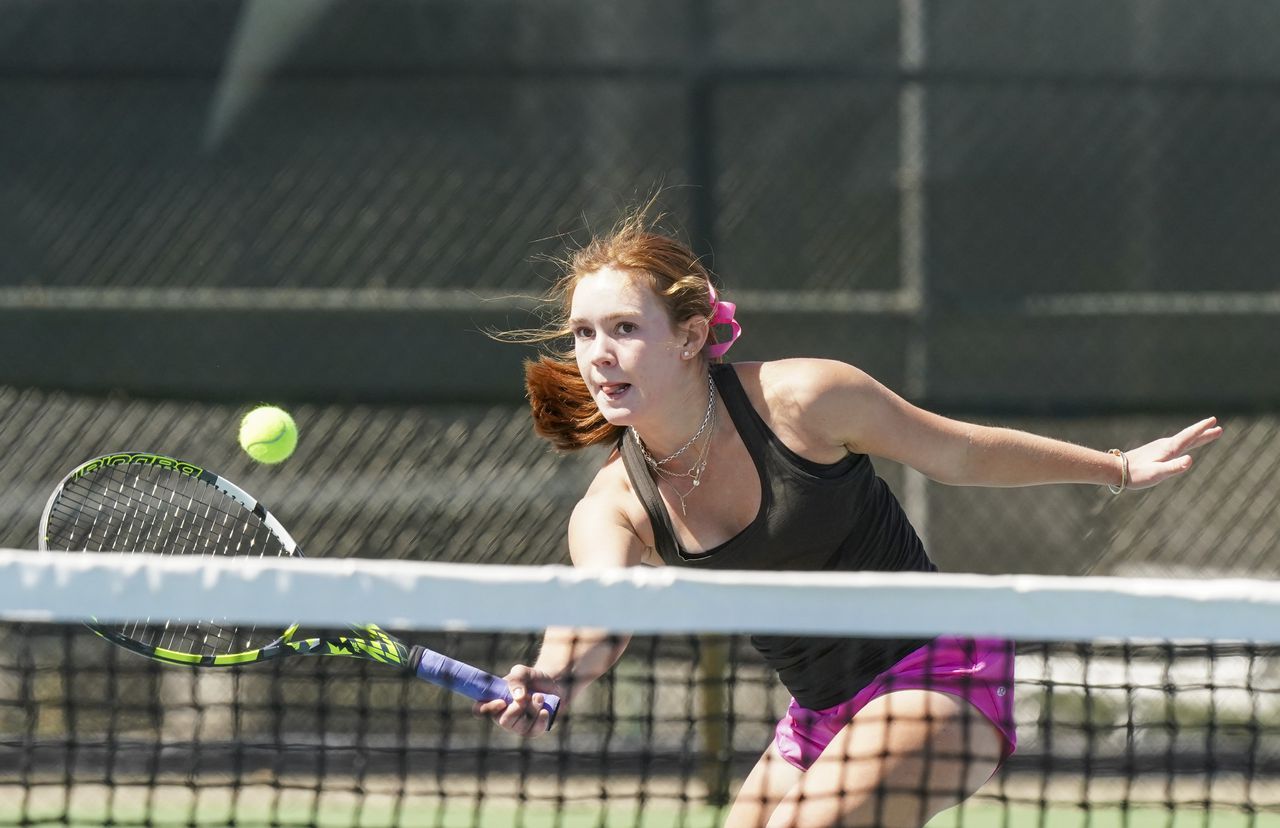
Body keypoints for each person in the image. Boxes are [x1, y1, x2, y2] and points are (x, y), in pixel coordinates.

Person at [477, 209, 1223, 827]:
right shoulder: (614, 503)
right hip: (817, 718)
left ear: (691, 335)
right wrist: (549, 675)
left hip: (940, 675)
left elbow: (959, 453)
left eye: (623, 329)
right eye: (581, 334)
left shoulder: (806, 399)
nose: (598, 356)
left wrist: (1117, 466)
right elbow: (595, 617)